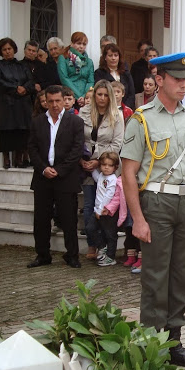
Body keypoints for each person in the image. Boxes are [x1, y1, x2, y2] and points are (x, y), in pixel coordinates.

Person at [120, 52, 185, 368]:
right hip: (156, 203)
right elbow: (128, 172)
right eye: (177, 80)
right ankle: (149, 346)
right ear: (160, 80)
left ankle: (174, 343)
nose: (184, 85)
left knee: (183, 276)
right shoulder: (141, 119)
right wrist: (138, 219)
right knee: (156, 277)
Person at [26, 85, 84, 269]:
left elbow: (76, 150)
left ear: (64, 100)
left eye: (58, 101)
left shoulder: (75, 122)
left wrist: (59, 170)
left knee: (68, 219)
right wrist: (44, 168)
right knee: (41, 219)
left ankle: (72, 255)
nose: (54, 105)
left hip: (65, 178)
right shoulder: (37, 122)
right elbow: (32, 148)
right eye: (50, 101)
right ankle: (43, 255)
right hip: (43, 178)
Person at [78, 79, 124, 260]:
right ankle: (92, 244)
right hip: (85, 163)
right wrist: (83, 158)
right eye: (99, 94)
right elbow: (77, 137)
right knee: (89, 205)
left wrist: (99, 160)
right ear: (94, 95)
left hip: (106, 166)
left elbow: (117, 143)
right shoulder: (84, 112)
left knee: (105, 206)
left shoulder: (117, 115)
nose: (102, 98)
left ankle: (105, 245)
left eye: (106, 95)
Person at [0, 37, 35, 169]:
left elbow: (30, 81)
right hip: (7, 103)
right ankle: (6, 159)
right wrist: (16, 88)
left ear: (14, 50)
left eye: (9, 49)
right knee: (7, 130)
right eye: (4, 49)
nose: (7, 52)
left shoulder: (22, 65)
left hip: (23, 103)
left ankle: (19, 158)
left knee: (22, 130)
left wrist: (25, 89)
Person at [89, 151, 120, 267]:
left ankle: (111, 257)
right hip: (97, 210)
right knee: (90, 228)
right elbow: (96, 177)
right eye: (104, 165)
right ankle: (102, 247)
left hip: (106, 212)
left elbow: (108, 195)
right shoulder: (102, 176)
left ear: (115, 167)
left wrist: (100, 209)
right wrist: (91, 168)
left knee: (110, 234)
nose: (106, 167)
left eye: (110, 165)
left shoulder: (113, 180)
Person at [57, 32, 94, 108]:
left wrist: (85, 96)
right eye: (78, 43)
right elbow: (64, 78)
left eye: (84, 44)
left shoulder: (89, 61)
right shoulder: (63, 58)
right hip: (69, 97)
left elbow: (91, 81)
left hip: (86, 99)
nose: (81, 46)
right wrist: (77, 96)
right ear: (72, 43)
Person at [94, 43, 136, 110]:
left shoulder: (126, 73)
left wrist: (124, 108)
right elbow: (100, 92)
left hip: (125, 109)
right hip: (107, 109)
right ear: (105, 57)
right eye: (110, 55)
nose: (113, 58)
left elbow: (131, 93)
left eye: (116, 55)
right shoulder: (99, 73)